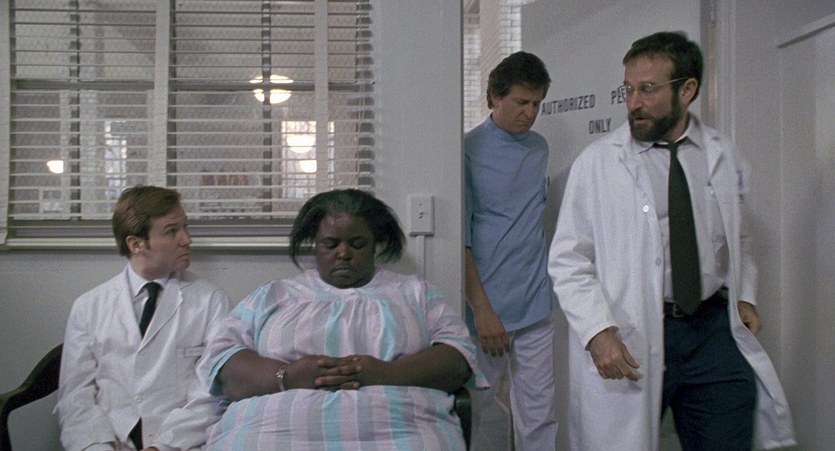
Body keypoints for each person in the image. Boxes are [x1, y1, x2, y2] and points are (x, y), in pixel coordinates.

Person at [548, 31, 796, 450]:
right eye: (628, 89)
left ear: (687, 90)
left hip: (712, 331)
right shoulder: (597, 163)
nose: (633, 102)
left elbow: (738, 237)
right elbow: (568, 260)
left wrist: (745, 296)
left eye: (647, 89)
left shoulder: (721, 154)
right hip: (633, 332)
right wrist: (598, 332)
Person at [202, 189, 486, 450]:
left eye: (357, 244)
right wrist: (287, 376)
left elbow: (458, 357)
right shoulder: (273, 295)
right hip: (269, 432)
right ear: (315, 245)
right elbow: (222, 361)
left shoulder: (415, 292)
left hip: (404, 431)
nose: (344, 253)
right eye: (331, 244)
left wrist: (386, 374)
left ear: (375, 245)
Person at [55, 185, 231, 450]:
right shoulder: (89, 307)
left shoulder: (211, 301)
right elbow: (75, 397)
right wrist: (98, 447)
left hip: (181, 442)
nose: (187, 240)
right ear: (136, 244)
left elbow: (212, 392)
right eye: (172, 231)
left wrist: (164, 446)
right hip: (109, 440)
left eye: (185, 227)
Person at [464, 50, 558, 451]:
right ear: (494, 97)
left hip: (535, 301)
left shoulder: (539, 148)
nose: (530, 113)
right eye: (521, 102)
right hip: (486, 307)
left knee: (540, 414)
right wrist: (481, 310)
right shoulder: (468, 150)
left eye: (537, 104)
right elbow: (463, 238)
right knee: (481, 410)